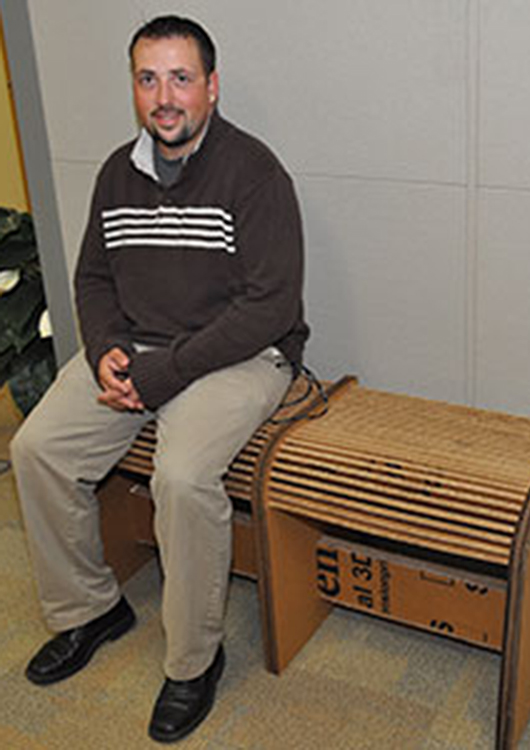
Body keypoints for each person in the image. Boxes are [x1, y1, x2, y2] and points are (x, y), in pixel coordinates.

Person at [11, 15, 308, 744]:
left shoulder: (255, 172)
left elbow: (269, 305)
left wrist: (162, 374)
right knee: (37, 449)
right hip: (136, 351)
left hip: (241, 355)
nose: (164, 96)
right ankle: (90, 610)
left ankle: (192, 661)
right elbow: (93, 276)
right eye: (149, 79)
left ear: (211, 86)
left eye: (181, 78)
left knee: (180, 476)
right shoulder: (119, 172)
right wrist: (109, 348)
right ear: (135, 89)